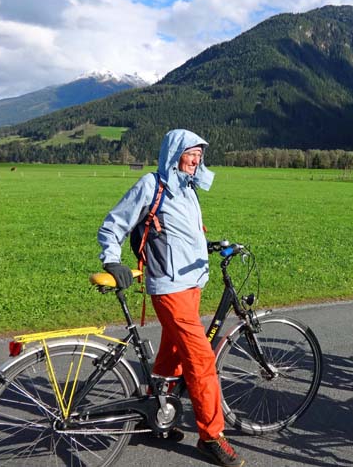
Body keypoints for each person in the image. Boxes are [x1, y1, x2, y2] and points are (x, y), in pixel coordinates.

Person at [97, 129, 244, 467]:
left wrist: (205, 248)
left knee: (173, 354)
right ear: (174, 154)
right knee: (202, 360)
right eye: (189, 154)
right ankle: (211, 436)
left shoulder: (187, 189)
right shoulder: (153, 185)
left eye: (198, 155)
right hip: (169, 288)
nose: (195, 160)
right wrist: (111, 259)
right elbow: (114, 223)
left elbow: (176, 233)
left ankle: (157, 414)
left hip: (191, 284)